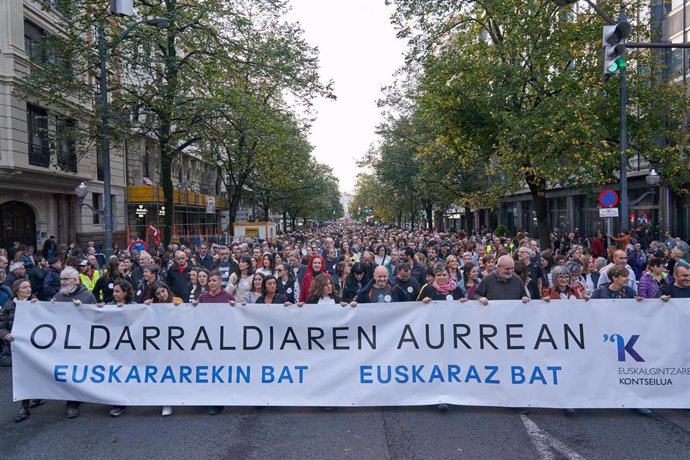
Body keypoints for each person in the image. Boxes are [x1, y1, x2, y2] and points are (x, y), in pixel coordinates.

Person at [1, 279, 44, 422]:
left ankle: (37, 394)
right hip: (17, 347)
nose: (28, 289)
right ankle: (24, 406)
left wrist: (38, 307)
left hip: (35, 347)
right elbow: (2, 326)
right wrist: (5, 335)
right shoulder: (9, 305)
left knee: (37, 372)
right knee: (22, 377)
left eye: (29, 286)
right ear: (17, 290)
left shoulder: (36, 303)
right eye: (24, 287)